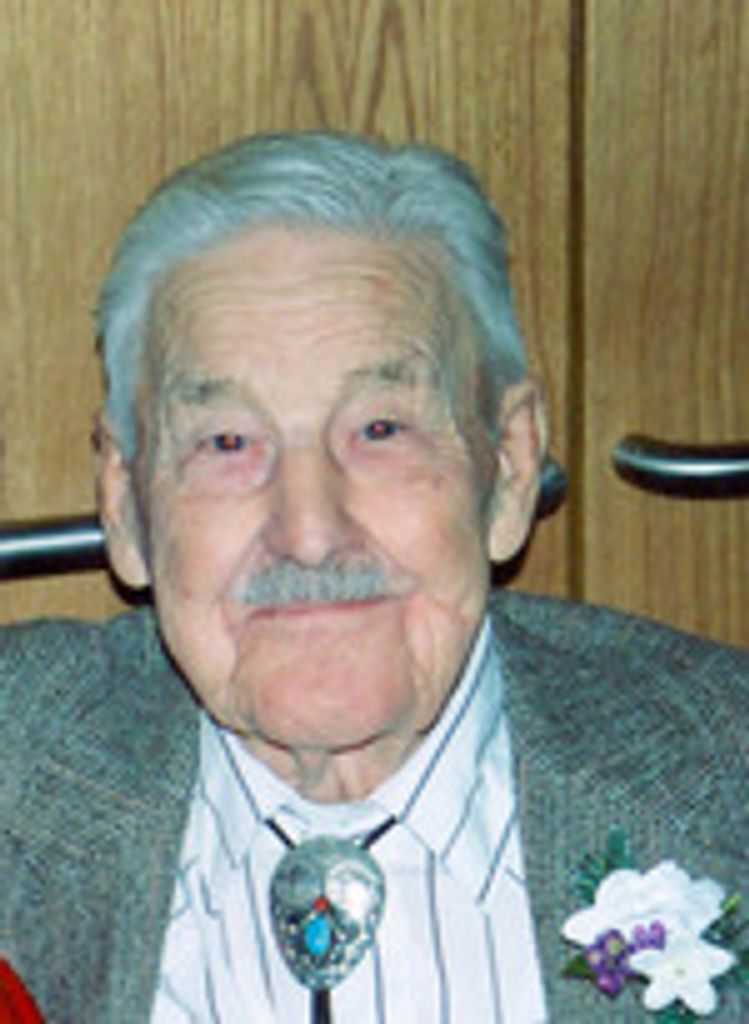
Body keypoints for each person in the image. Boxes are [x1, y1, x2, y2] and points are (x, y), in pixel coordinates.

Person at [1, 132, 746, 1024]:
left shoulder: (723, 772)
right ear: (125, 504)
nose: (310, 534)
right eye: (227, 443)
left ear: (509, 468)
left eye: (381, 430)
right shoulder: (23, 764)